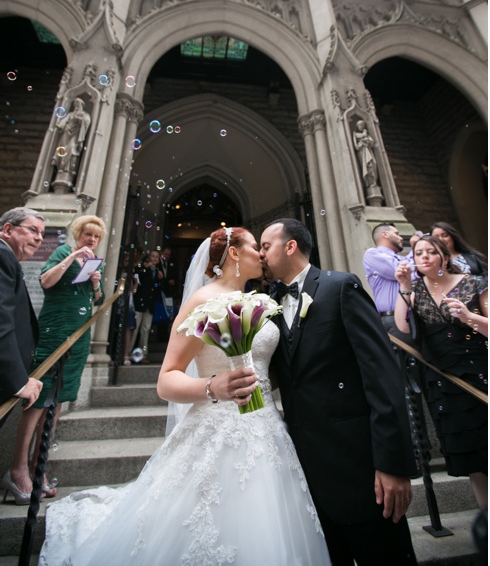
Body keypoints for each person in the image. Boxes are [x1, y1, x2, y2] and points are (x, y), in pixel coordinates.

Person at [39, 227, 331, 564]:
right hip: (216, 428)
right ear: (234, 254)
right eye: (255, 247)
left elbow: (268, 368)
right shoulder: (203, 300)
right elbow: (166, 381)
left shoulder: (263, 302)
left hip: (267, 427)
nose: (262, 254)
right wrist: (213, 387)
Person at [261, 218, 418, 565]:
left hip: (359, 469)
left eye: (265, 246)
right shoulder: (268, 306)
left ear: (290, 246)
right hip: (306, 474)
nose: (260, 255)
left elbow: (382, 375)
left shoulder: (340, 287)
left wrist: (393, 464)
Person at [7, 215, 105, 501]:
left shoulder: (94, 262)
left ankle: (40, 468)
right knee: (39, 396)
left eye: (96, 237)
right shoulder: (64, 252)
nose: (91, 241)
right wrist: (73, 256)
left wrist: (97, 284)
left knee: (58, 397)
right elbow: (47, 281)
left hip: (79, 334)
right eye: (87, 235)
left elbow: (95, 300)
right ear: (78, 234)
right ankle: (17, 468)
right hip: (56, 330)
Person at [394, 235, 488, 507]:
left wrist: (468, 318)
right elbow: (401, 327)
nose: (423, 257)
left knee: (485, 443)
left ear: (444, 257)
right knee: (468, 454)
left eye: (430, 252)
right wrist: (403, 286)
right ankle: (484, 514)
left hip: (477, 369)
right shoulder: (415, 290)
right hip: (444, 381)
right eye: (418, 254)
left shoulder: (472, 283)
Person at [0, 208, 45, 429]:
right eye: (32, 230)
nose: (39, 238)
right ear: (8, 229)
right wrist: (18, 382)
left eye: (42, 233)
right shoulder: (2, 256)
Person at [362, 222, 412, 336]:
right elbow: (402, 272)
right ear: (385, 234)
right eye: (397, 233)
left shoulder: (401, 258)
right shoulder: (373, 254)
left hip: (411, 316)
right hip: (392, 318)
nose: (400, 238)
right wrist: (416, 248)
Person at [131, 249, 164, 363]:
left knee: (146, 329)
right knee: (135, 328)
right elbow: (137, 279)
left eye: (157, 257)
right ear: (148, 257)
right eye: (153, 256)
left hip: (150, 305)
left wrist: (161, 279)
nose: (155, 259)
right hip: (140, 303)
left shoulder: (158, 271)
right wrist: (145, 268)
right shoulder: (142, 268)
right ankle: (129, 353)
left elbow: (157, 290)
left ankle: (143, 354)